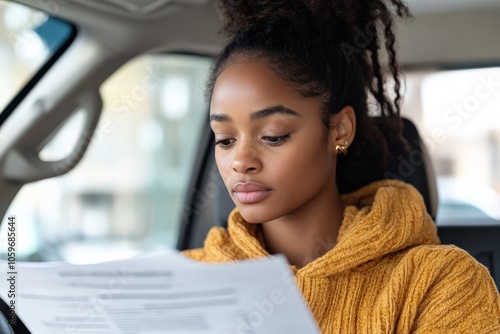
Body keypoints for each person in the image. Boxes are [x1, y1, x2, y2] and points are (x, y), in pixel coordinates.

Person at [183, 0, 500, 332]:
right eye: (224, 139)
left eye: (274, 136)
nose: (240, 162)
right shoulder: (183, 284)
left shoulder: (439, 285)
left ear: (340, 130)